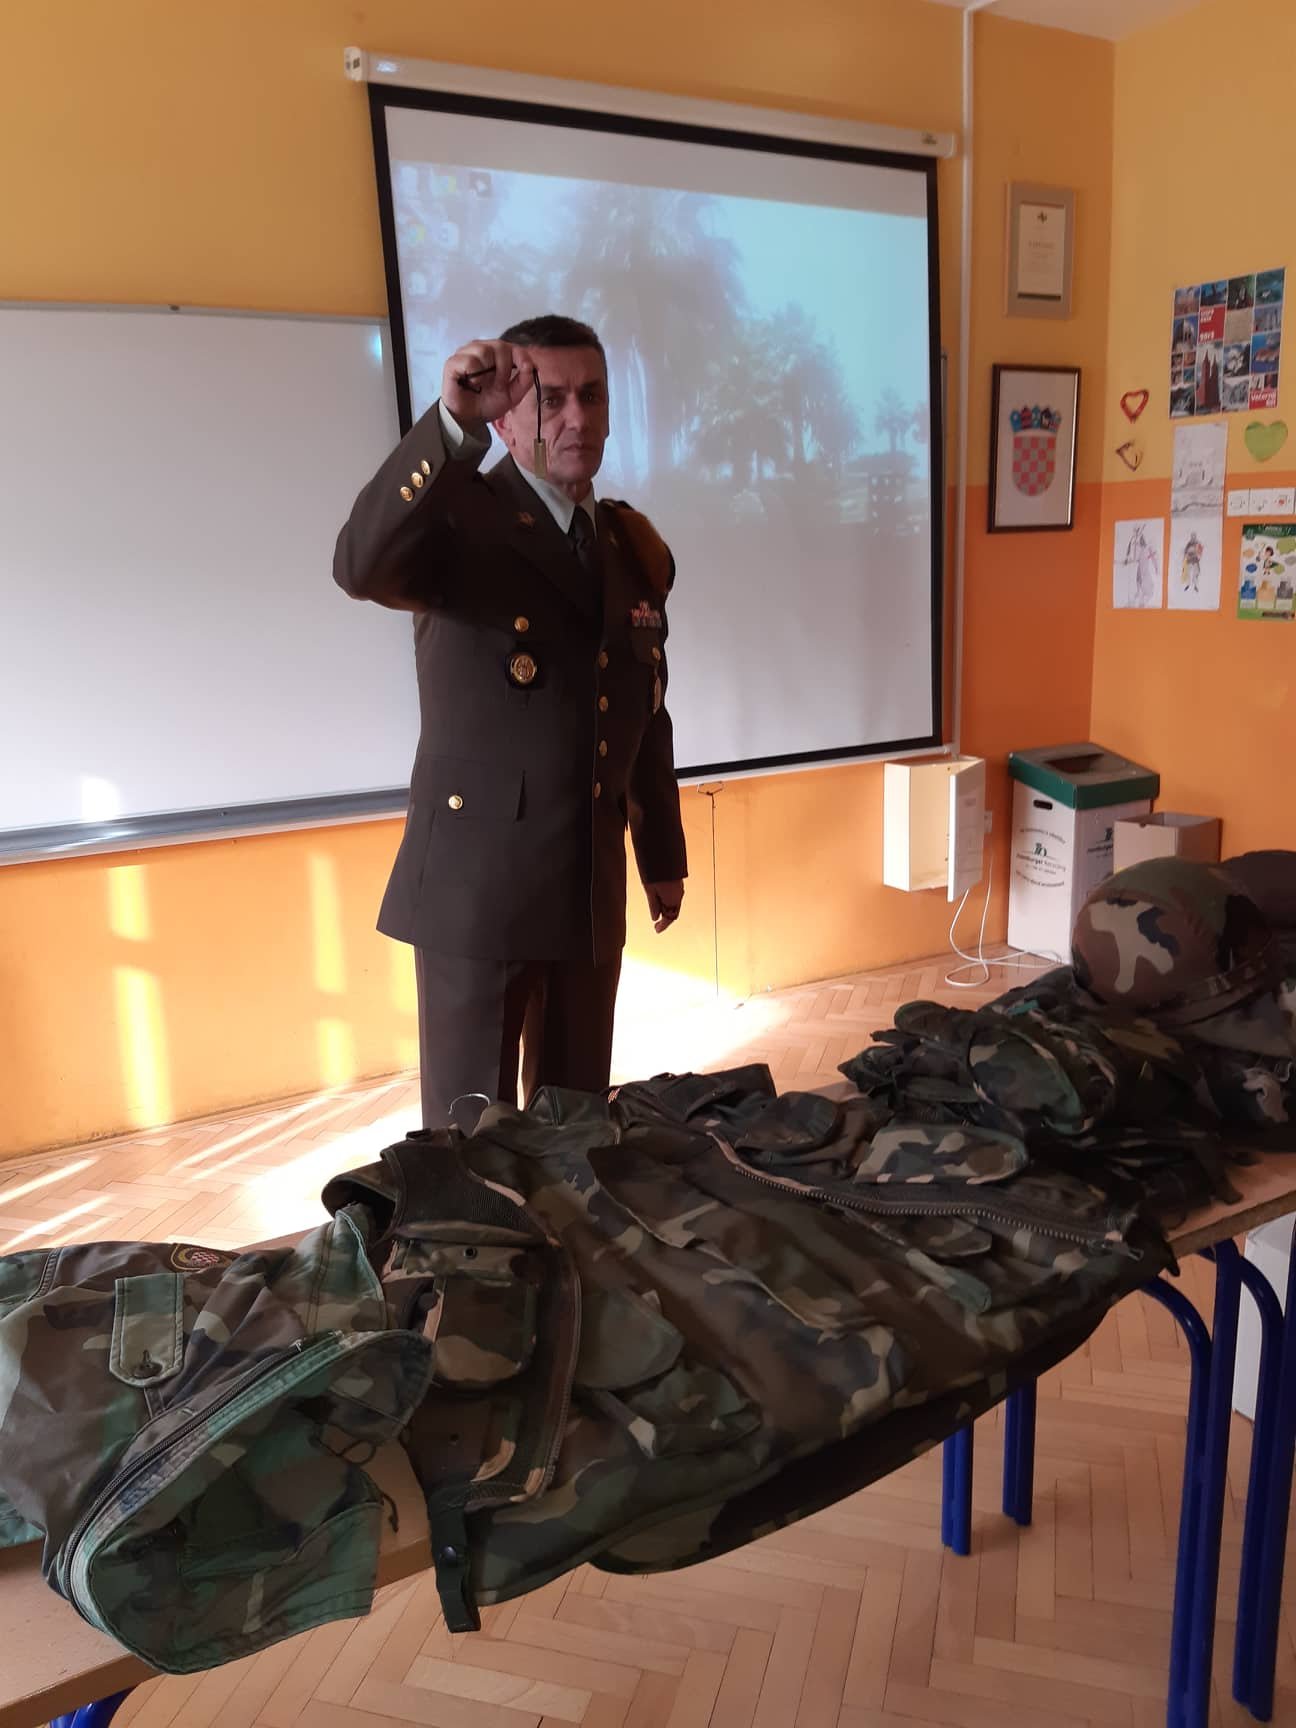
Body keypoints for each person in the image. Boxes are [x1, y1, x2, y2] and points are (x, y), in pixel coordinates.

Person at [333, 315, 687, 1128]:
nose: (577, 417)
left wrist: (660, 852)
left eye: (592, 395)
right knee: (471, 1147)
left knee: (576, 1128)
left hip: (586, 888)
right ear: (504, 418)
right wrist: (450, 427)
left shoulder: (629, 545)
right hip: (479, 895)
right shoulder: (458, 519)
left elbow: (644, 708)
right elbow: (358, 565)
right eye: (551, 398)